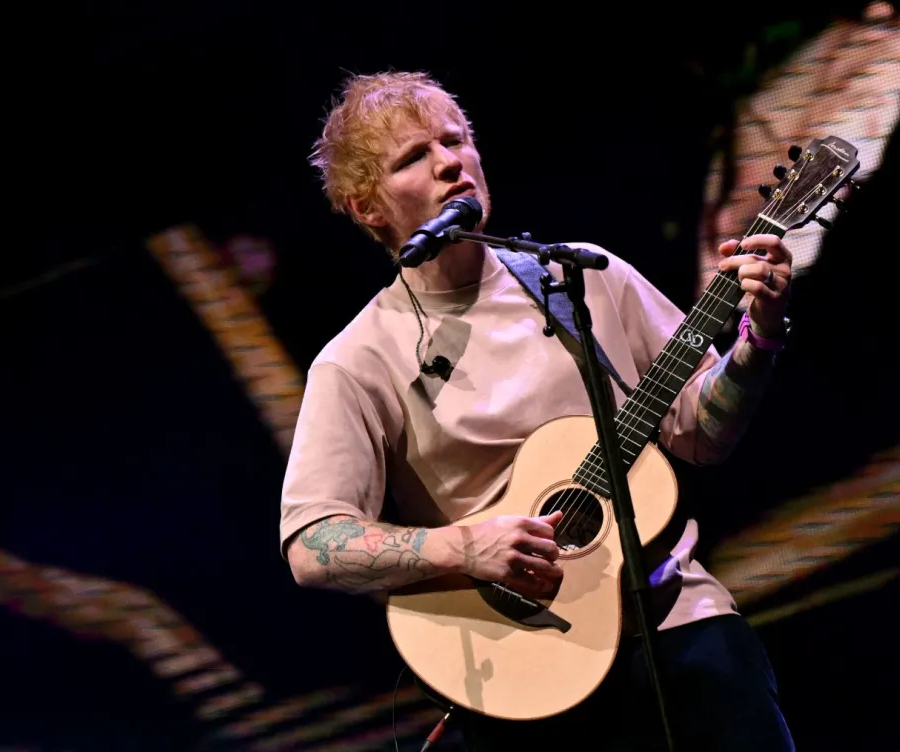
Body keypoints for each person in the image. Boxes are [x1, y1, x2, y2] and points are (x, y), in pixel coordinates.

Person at [278, 70, 795, 751]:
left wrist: (759, 337)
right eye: (414, 157)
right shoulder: (358, 360)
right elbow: (313, 544)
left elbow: (702, 432)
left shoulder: (581, 275)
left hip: (681, 624)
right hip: (526, 671)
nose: (449, 162)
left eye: (456, 140)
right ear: (367, 207)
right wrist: (463, 546)